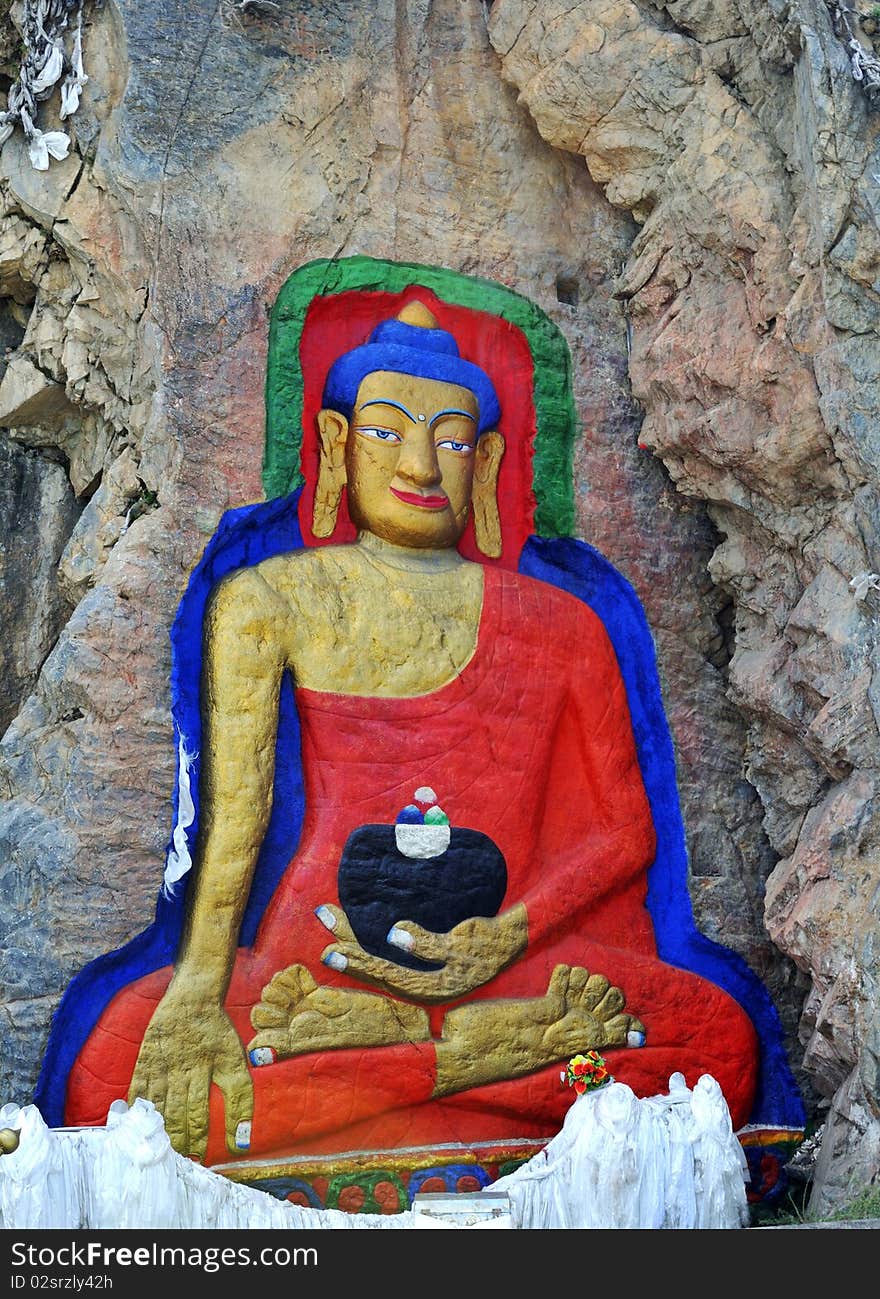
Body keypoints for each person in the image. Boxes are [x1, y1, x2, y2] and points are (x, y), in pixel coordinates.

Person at [55, 297, 768, 1168]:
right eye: (387, 432)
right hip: (317, 976)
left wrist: (507, 935)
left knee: (717, 1045)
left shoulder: (565, 624)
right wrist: (200, 990)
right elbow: (233, 819)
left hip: (511, 965)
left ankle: (423, 1062)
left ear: (490, 460)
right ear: (333, 443)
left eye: (455, 440)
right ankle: (468, 1061)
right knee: (111, 1074)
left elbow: (627, 828)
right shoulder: (269, 598)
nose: (423, 464)